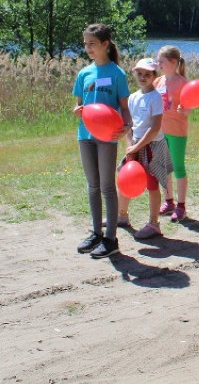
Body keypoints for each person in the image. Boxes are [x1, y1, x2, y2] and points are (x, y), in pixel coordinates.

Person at [72, 23, 131, 259]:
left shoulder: (117, 74)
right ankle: (96, 233)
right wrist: (77, 110)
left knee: (107, 187)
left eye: (92, 44)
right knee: (93, 186)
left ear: (105, 45)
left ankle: (111, 239)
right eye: (86, 44)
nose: (88, 48)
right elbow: (79, 104)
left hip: (107, 137)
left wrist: (126, 126)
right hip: (85, 136)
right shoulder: (84, 73)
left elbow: (125, 108)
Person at [117, 58, 174, 239]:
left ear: (154, 76)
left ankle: (154, 223)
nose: (142, 77)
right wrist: (130, 144)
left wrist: (137, 146)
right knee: (126, 179)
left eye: (147, 74)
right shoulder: (133, 97)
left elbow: (155, 128)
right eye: (139, 73)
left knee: (152, 185)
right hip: (135, 145)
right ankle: (122, 215)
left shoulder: (155, 97)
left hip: (152, 147)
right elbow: (130, 125)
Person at [155, 46, 191, 221]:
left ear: (174, 62)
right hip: (160, 131)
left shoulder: (183, 82)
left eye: (161, 61)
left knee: (177, 167)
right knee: (163, 167)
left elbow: (189, 108)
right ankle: (169, 201)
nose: (158, 64)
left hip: (177, 132)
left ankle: (181, 206)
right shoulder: (158, 81)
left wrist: (184, 109)